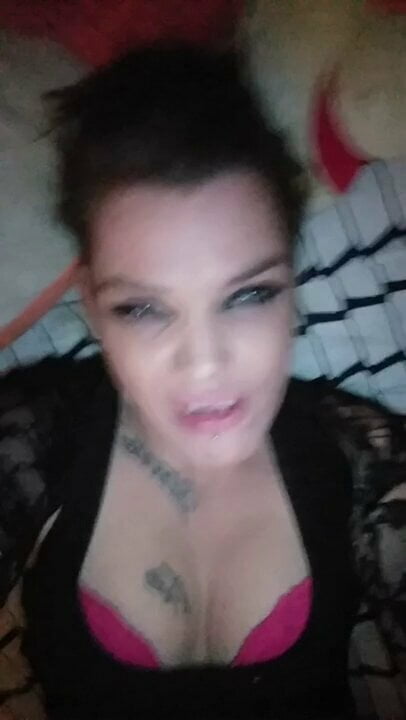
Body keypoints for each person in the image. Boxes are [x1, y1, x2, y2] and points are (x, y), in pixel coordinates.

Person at [0, 44, 404, 720]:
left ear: (292, 289)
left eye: (248, 295)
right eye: (143, 309)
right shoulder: (32, 439)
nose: (205, 366)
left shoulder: (362, 461)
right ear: (94, 308)